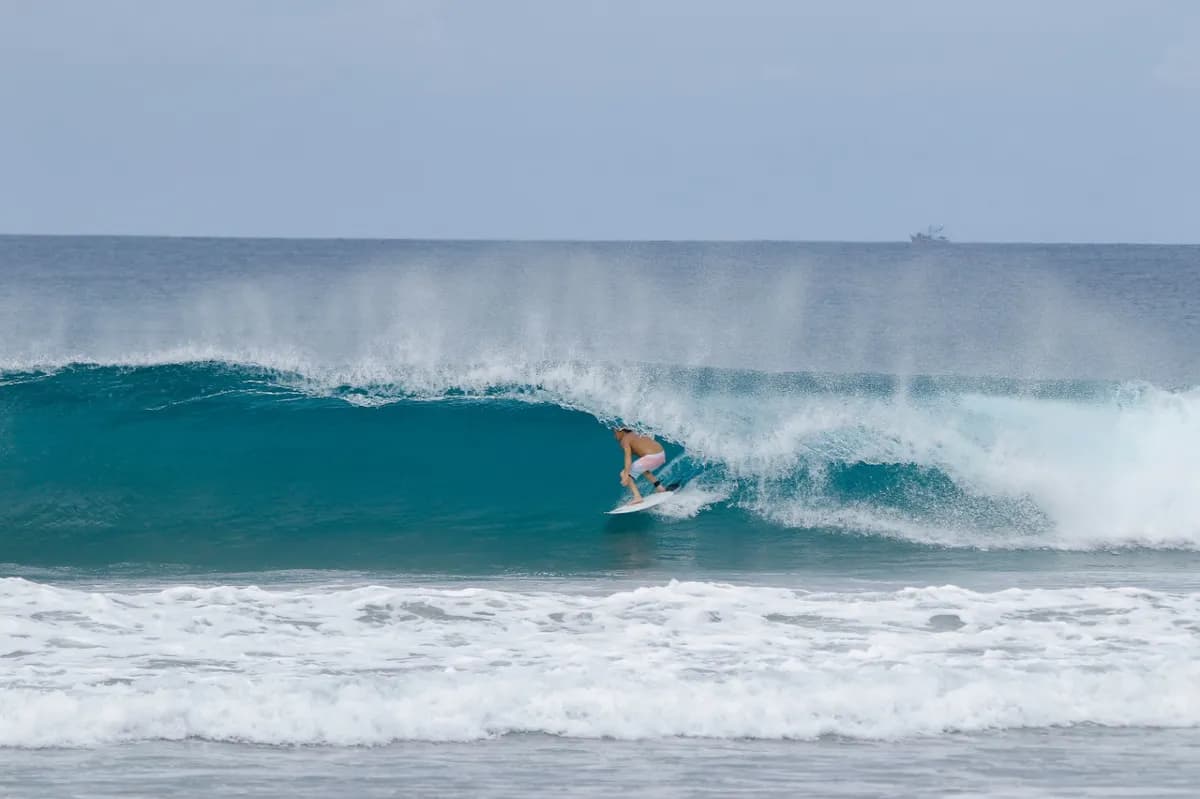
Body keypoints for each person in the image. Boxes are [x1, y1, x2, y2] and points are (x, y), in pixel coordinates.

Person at [614, 427, 668, 505]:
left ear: (621, 431)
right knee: (643, 468)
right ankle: (660, 488)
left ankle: (637, 497)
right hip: (661, 454)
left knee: (624, 473)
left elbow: (628, 458)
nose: (615, 436)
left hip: (652, 458)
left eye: (615, 433)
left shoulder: (625, 439)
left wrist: (626, 475)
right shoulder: (637, 433)